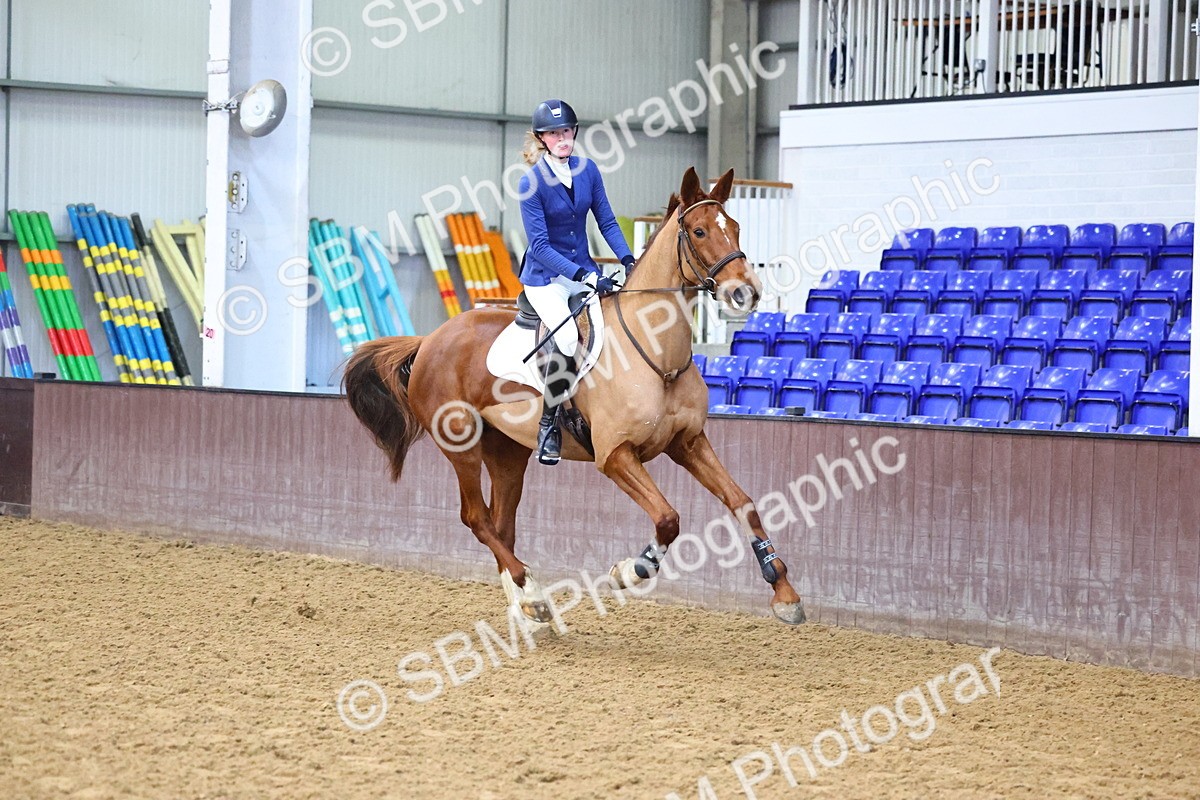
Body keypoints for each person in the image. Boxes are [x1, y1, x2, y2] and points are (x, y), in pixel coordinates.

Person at [518, 99, 635, 466]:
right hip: (546, 278)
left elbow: (607, 221)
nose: (563, 138)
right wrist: (585, 275)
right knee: (568, 337)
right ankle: (549, 425)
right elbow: (539, 246)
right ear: (542, 138)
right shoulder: (531, 183)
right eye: (554, 133)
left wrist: (629, 259)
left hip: (582, 270)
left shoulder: (587, 171)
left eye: (567, 131)